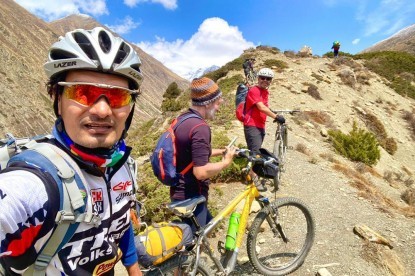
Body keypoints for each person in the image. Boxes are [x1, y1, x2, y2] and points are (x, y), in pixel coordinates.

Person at [0, 27, 143, 275]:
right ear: (57, 97)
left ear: (130, 108)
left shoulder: (122, 165)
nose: (102, 111)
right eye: (83, 92)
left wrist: (134, 270)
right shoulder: (37, 181)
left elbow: (121, 223)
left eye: (118, 96)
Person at [170, 77, 236, 229]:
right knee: (192, 244)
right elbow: (200, 172)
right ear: (208, 103)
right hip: (192, 196)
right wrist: (225, 162)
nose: (219, 108)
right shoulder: (200, 127)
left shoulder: (183, 119)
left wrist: (222, 151)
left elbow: (191, 153)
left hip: (178, 191)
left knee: (206, 227)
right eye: (218, 103)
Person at [243, 68, 285, 190]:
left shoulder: (265, 92)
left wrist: (273, 113)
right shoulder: (254, 90)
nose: (265, 80)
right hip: (251, 125)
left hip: (260, 125)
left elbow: (265, 107)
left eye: (268, 79)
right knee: (255, 153)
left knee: (255, 152)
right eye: (262, 77)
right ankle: (253, 184)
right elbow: (261, 107)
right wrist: (276, 116)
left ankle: (251, 175)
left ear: (271, 81)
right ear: (258, 78)